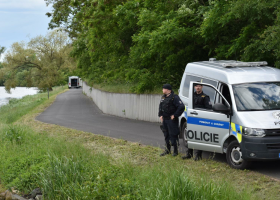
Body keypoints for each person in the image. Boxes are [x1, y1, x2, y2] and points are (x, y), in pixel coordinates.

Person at [182, 83, 212, 161]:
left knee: (199, 137)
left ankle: (198, 156)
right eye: (196, 86)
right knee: (190, 135)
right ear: (194, 87)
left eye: (199, 86)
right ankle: (189, 154)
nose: (197, 87)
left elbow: (209, 109)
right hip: (192, 118)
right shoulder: (192, 96)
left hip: (200, 119)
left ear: (202, 87)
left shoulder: (205, 97)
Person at [158, 84, 185, 157]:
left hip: (171, 120)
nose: (162, 90)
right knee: (166, 135)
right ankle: (167, 150)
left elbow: (181, 106)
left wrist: (175, 115)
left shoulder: (174, 97)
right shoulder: (163, 97)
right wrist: (160, 115)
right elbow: (160, 107)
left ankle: (175, 151)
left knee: (173, 134)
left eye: (163, 89)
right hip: (165, 119)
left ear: (167, 89)